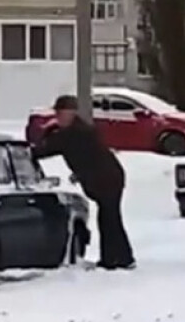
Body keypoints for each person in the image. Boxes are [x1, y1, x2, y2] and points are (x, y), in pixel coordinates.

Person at [31, 94, 136, 270]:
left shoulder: (76, 132)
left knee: (109, 218)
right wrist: (80, 174)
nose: (58, 117)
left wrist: (32, 151)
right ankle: (119, 258)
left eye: (61, 113)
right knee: (109, 218)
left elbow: (52, 148)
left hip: (108, 179)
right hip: (107, 177)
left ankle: (117, 259)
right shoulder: (75, 130)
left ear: (71, 113)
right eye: (57, 113)